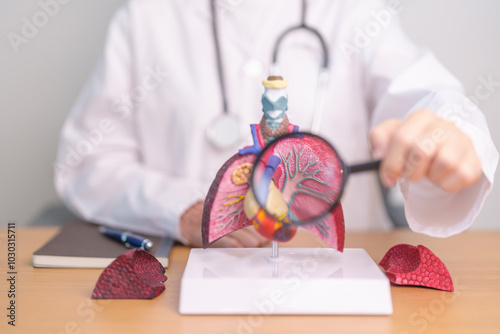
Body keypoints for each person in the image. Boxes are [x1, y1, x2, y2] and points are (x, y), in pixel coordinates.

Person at [54, 0, 498, 248]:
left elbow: (425, 94)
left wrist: (451, 132)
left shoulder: (356, 13)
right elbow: (88, 163)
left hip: (336, 286)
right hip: (196, 285)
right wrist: (185, 208)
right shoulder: (147, 17)